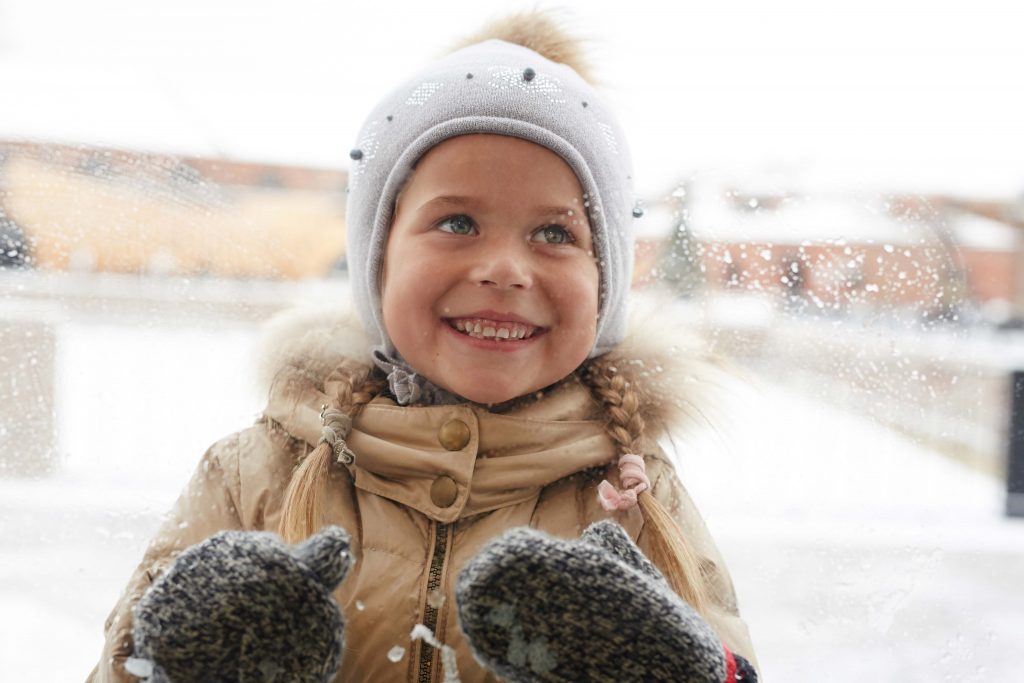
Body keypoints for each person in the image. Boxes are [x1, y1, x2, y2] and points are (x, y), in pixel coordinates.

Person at [88, 11, 758, 683]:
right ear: (377, 258)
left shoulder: (637, 499)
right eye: (457, 221)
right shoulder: (257, 474)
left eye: (555, 233)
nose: (505, 268)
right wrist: (180, 666)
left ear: (604, 279)